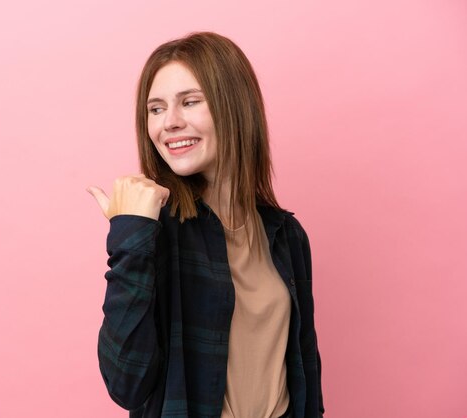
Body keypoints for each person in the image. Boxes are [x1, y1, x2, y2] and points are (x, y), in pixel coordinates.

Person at [87, 31, 324, 418]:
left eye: (190, 102)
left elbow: (303, 369)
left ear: (235, 106)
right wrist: (130, 237)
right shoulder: (154, 230)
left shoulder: (287, 235)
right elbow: (127, 384)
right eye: (156, 109)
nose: (170, 123)